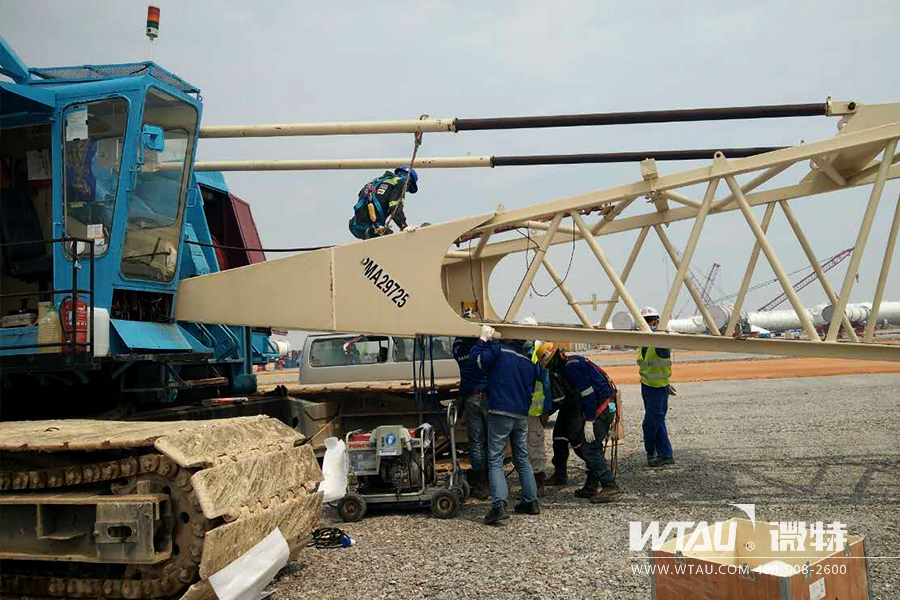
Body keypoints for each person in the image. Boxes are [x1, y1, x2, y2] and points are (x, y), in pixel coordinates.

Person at [469, 325, 540, 524]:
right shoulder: (527, 361)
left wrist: (482, 340)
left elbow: (475, 361)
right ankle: (531, 502)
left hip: (500, 411)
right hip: (520, 415)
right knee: (522, 458)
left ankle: (498, 506)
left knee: (495, 459)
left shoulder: (499, 350)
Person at [538, 342, 622, 504]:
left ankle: (609, 485)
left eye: (549, 364)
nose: (550, 369)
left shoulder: (571, 368)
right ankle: (591, 486)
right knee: (591, 446)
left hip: (602, 408)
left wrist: (589, 420)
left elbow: (588, 394)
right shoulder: (572, 362)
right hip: (604, 405)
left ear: (555, 358)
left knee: (589, 448)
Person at [452, 326, 490, 500]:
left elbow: (457, 343)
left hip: (471, 398)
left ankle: (482, 483)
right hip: (488, 397)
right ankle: (493, 481)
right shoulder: (483, 348)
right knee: (492, 441)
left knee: (476, 443)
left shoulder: (459, 349)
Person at [519, 319, 553, 497]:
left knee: (529, 445)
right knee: (531, 445)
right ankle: (533, 483)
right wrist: (546, 409)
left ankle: (535, 483)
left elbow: (545, 382)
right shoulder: (535, 349)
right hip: (528, 407)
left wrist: (545, 409)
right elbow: (545, 382)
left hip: (526, 407)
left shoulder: (533, 350)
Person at [637, 306, 674, 467]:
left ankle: (651, 452)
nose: (646, 325)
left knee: (650, 424)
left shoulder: (660, 342)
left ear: (657, 322)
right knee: (658, 422)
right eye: (643, 321)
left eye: (649, 321)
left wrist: (665, 383)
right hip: (647, 387)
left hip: (658, 389)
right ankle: (665, 454)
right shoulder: (643, 343)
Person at [349, 166, 419, 240]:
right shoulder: (400, 183)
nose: (406, 190)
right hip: (373, 228)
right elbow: (395, 207)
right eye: (408, 186)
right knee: (392, 242)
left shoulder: (374, 182)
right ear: (408, 180)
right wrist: (403, 226)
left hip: (355, 226)